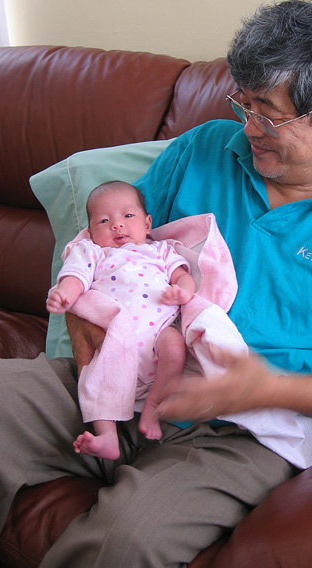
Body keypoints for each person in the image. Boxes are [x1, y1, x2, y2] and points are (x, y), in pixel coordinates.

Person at [0, 0, 312, 568]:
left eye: (268, 115)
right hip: (119, 373)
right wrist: (80, 318)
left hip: (239, 431)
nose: (248, 127)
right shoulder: (203, 149)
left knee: (127, 540)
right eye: (243, 103)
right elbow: (116, 246)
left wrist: (263, 389)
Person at [46, 180, 196, 457]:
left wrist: (183, 292)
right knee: (97, 374)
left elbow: (183, 276)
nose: (117, 225)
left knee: (175, 347)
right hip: (116, 339)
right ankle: (107, 436)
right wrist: (64, 294)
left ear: (147, 223)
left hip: (158, 337)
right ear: (90, 232)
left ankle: (152, 409)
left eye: (128, 216)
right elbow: (75, 276)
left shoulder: (161, 251)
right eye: (104, 221)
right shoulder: (93, 252)